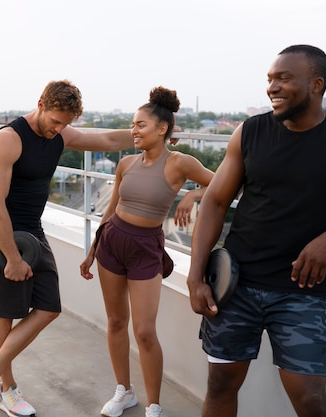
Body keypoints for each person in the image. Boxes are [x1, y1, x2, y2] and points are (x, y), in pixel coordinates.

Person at [186, 44, 326, 417]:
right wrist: (195, 276)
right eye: (270, 79)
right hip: (236, 283)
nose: (272, 87)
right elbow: (215, 202)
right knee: (220, 385)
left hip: (302, 293)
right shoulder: (250, 132)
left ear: (316, 84)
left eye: (284, 78)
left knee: (310, 400)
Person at [0, 80, 171, 417]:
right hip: (6, 235)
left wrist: (152, 135)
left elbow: (104, 139)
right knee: (6, 312)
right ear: (41, 103)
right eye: (55, 121)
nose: (59, 129)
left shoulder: (60, 133)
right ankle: (6, 389)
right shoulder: (8, 138)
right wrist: (13, 258)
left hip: (34, 230)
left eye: (66, 124)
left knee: (49, 307)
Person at [80, 86, 214, 417]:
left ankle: (154, 405)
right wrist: (92, 250)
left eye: (140, 125)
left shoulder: (181, 163)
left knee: (144, 330)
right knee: (115, 321)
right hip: (112, 243)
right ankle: (123, 391)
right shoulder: (125, 163)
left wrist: (193, 195)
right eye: (132, 125)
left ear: (163, 128)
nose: (134, 131)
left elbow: (223, 181)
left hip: (146, 249)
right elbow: (110, 210)